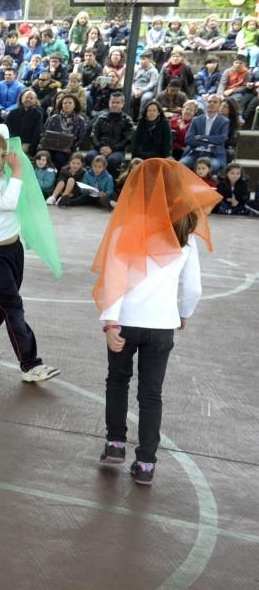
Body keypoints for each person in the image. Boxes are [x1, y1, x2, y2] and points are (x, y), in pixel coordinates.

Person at [92, 159, 219, 485]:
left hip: (126, 322)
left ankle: (115, 444)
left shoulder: (124, 230)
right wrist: (184, 314)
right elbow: (194, 287)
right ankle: (146, 462)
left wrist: (111, 323)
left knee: (117, 380)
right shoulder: (185, 235)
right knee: (151, 393)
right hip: (162, 324)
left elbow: (114, 279)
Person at [0, 125, 60, 382]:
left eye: (2, 156)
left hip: (13, 249)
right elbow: (8, 203)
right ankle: (31, 364)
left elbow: (1, 129)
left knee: (2, 300)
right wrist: (16, 171)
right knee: (13, 305)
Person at [180, 95, 230, 171]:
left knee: (214, 166)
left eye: (215, 102)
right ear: (206, 104)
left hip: (214, 155)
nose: (211, 104)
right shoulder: (196, 120)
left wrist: (202, 137)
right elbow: (188, 139)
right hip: (195, 152)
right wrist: (207, 143)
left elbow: (222, 138)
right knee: (181, 164)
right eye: (209, 101)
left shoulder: (224, 121)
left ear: (219, 105)